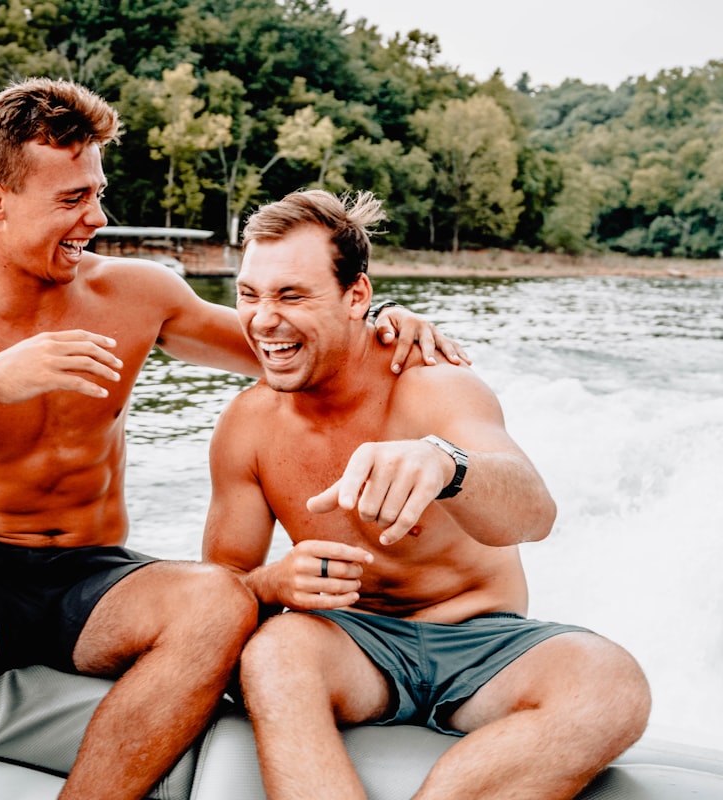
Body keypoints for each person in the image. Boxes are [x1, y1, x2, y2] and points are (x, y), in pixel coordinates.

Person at [0, 79, 465, 800]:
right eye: (71, 200)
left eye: (96, 192)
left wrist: (380, 320)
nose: (97, 218)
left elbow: (291, 345)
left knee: (219, 601)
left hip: (96, 581)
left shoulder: (136, 295)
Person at [203, 189, 652, 800]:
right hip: (348, 642)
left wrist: (447, 463)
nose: (261, 319)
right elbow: (224, 581)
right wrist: (270, 583)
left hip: (480, 635)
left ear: (356, 296)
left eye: (291, 295)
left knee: (611, 682)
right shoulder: (245, 425)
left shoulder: (432, 383)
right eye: (249, 295)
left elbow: (535, 513)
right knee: (273, 654)